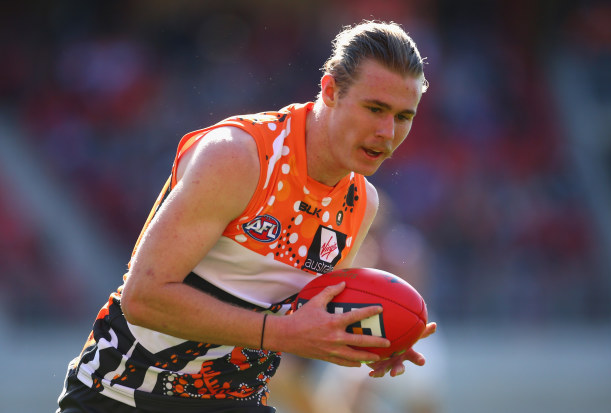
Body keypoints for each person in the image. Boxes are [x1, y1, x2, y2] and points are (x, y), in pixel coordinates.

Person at [57, 20, 437, 413]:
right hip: (121, 397)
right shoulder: (240, 156)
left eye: (403, 117)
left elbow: (300, 323)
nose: (386, 132)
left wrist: (373, 340)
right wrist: (283, 333)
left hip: (237, 403)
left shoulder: (362, 204)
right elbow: (143, 298)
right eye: (374, 108)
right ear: (330, 90)